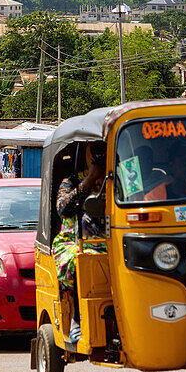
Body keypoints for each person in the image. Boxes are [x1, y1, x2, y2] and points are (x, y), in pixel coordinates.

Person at [51, 143, 107, 343]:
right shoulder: (72, 180)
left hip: (110, 241)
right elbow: (63, 208)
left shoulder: (120, 178)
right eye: (96, 152)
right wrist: (90, 179)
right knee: (79, 260)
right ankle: (76, 318)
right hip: (73, 241)